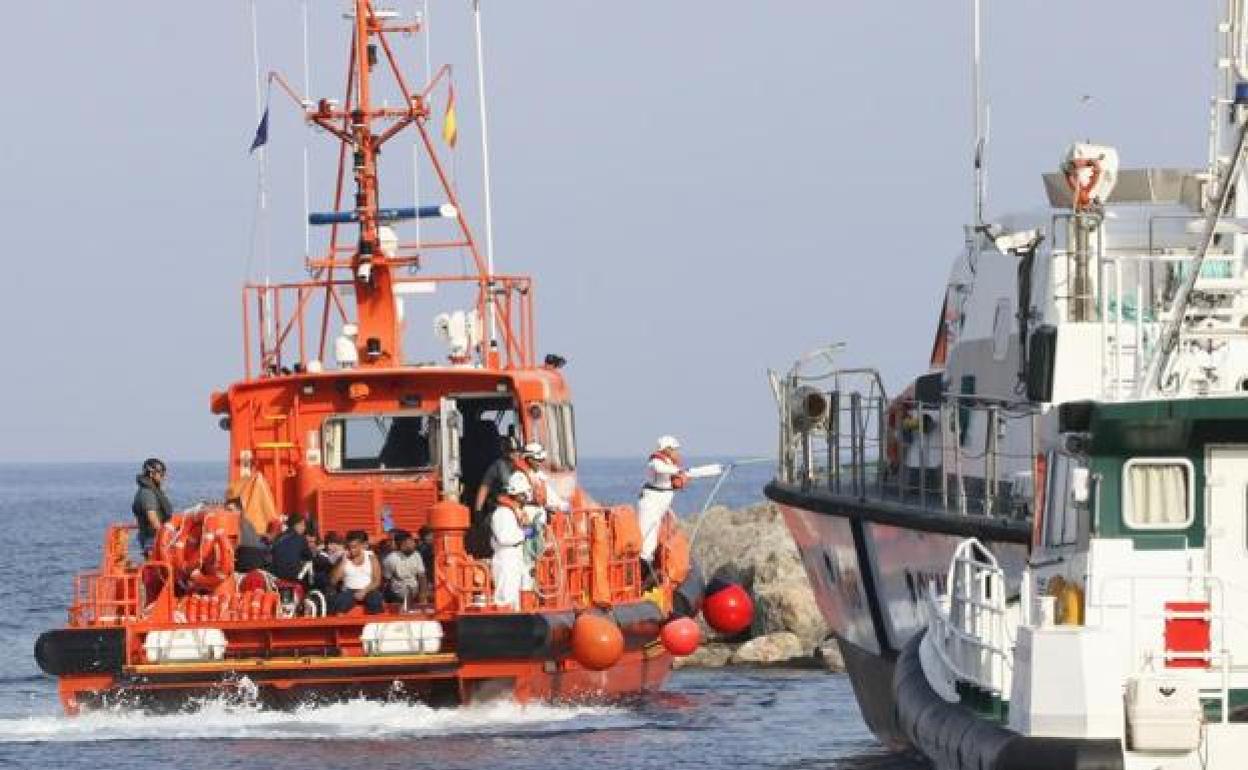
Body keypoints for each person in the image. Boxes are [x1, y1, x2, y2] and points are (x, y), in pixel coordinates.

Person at [637, 435, 688, 564]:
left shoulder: (669, 463)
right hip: (651, 503)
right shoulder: (656, 462)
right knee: (647, 537)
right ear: (667, 449)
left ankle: (650, 563)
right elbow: (659, 468)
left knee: (655, 535)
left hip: (661, 504)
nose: (677, 452)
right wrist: (678, 471)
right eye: (674, 449)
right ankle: (644, 566)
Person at [490, 472, 536, 610]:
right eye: (524, 494)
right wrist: (524, 534)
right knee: (506, 595)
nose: (527, 497)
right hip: (506, 557)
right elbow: (504, 538)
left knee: (519, 593)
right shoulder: (502, 513)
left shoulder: (513, 512)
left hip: (516, 555)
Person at [328, 530, 384, 615]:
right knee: (340, 602)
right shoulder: (342, 558)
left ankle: (376, 624)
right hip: (349, 590)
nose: (351, 550)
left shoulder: (371, 557)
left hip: (368, 589)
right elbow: (333, 581)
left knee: (375, 599)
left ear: (362, 546)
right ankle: (340, 625)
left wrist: (364, 591)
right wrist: (343, 561)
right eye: (348, 547)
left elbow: (376, 581)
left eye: (354, 547)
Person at [131, 458, 173, 556]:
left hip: (154, 537)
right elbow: (152, 517)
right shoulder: (147, 493)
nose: (163, 477)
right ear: (151, 474)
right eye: (161, 474)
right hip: (153, 539)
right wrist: (164, 535)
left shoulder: (150, 491)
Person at [383, 529, 429, 607]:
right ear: (399, 546)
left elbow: (422, 576)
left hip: (415, 588)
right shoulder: (391, 559)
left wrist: (423, 594)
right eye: (406, 544)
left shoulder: (417, 555)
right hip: (397, 591)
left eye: (411, 542)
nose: (410, 545)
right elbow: (386, 580)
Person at [271, 514, 315, 583]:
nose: (304, 528)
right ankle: (310, 588)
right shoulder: (301, 539)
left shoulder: (278, 537)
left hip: (276, 574)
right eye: (303, 525)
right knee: (310, 564)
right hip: (293, 576)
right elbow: (309, 557)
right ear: (296, 525)